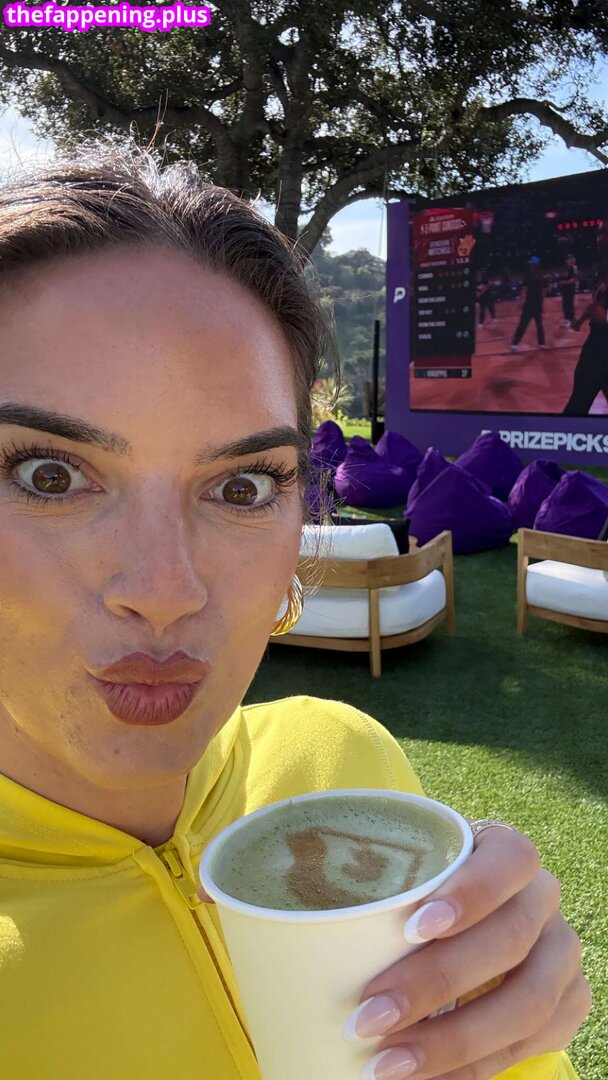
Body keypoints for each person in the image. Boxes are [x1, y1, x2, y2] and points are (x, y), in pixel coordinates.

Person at [0, 138, 590, 1080]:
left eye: (241, 487)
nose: (165, 590)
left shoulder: (339, 760)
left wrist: (513, 1037)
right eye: (50, 474)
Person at [563, 278, 608, 415]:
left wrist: (579, 320)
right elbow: (594, 312)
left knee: (577, 407)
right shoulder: (598, 300)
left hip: (592, 361)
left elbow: (594, 313)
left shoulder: (596, 304)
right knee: (577, 407)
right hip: (592, 361)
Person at [511, 256, 547, 351]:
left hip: (529, 304)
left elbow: (524, 290)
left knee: (523, 324)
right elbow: (544, 292)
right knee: (539, 324)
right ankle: (542, 344)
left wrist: (520, 302)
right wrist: (542, 303)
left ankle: (515, 344)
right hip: (538, 304)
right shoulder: (542, 276)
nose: (530, 265)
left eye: (531, 264)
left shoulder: (528, 275)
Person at [560, 255, 579, 328]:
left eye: (569, 259)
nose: (567, 261)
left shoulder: (573, 268)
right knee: (565, 304)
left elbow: (573, 279)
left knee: (569, 304)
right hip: (565, 289)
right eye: (567, 259)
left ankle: (570, 319)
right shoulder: (566, 268)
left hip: (570, 289)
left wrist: (564, 282)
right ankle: (567, 318)